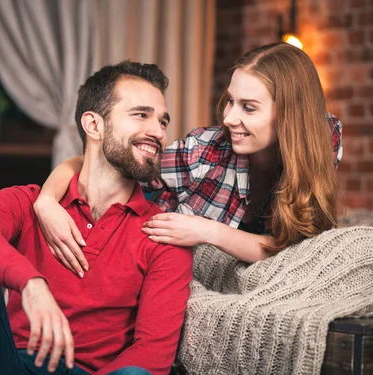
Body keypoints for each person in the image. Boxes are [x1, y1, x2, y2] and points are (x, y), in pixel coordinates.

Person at [0, 61, 193, 375]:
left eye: (162, 120)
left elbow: (152, 357)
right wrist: (30, 283)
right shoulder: (29, 202)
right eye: (141, 115)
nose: (158, 131)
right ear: (93, 125)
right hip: (10, 374)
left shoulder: (164, 234)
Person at [33, 42, 343, 278]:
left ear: (290, 115)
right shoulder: (205, 150)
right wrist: (46, 201)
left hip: (198, 227)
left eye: (248, 108)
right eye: (231, 101)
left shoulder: (323, 139)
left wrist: (206, 231)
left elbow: (295, 248)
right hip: (158, 222)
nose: (229, 118)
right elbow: (90, 158)